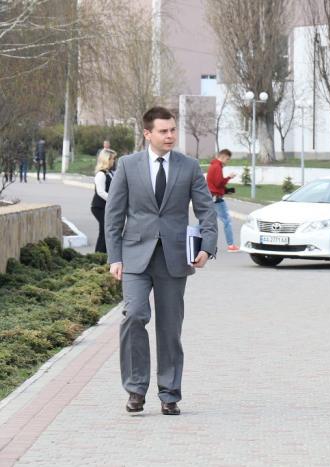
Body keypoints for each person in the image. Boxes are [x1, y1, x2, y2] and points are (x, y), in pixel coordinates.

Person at [105, 106, 218, 416]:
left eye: (172, 130)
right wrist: (115, 257)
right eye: (163, 131)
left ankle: (169, 394)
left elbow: (206, 210)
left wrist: (207, 247)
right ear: (147, 133)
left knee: (169, 328)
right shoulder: (128, 166)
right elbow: (114, 215)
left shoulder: (189, 166)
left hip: (174, 258)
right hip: (134, 258)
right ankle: (135, 389)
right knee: (134, 316)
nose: (170, 136)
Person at [206, 148, 239, 252]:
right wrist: (229, 177)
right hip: (217, 199)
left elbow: (215, 184)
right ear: (223, 157)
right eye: (227, 159)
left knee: (206, 222)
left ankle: (186, 237)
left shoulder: (213, 165)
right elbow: (218, 183)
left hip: (212, 197)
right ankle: (231, 245)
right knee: (227, 221)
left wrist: (227, 190)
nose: (227, 161)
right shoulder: (217, 166)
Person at [91, 149, 116, 253]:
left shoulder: (109, 173)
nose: (114, 161)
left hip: (106, 207)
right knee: (105, 231)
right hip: (99, 207)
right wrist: (114, 199)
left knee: (106, 231)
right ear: (106, 160)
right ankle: (99, 254)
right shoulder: (101, 174)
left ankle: (102, 254)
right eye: (112, 159)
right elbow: (101, 192)